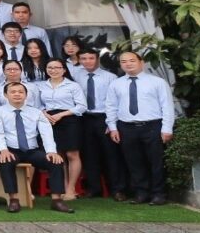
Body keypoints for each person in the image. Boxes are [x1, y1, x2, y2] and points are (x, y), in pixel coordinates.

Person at [0, 82, 73, 213]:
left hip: (32, 151)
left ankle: (57, 200)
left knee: (55, 161)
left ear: (26, 95)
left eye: (20, 92)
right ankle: (14, 199)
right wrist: (3, 150)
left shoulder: (36, 112)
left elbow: (46, 133)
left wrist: (51, 151)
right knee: (6, 161)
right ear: (6, 95)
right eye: (13, 92)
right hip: (10, 149)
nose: (17, 94)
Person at [105, 51, 175, 205]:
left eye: (132, 60)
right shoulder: (116, 84)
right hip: (126, 127)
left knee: (156, 161)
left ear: (141, 62)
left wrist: (167, 128)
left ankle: (158, 194)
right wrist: (113, 127)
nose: (128, 64)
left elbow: (167, 106)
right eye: (124, 61)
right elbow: (111, 106)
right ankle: (141, 192)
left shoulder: (157, 82)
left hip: (152, 126)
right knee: (134, 162)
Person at [76, 49, 128, 200]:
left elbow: (117, 101)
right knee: (89, 155)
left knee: (111, 155)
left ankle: (117, 189)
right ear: (79, 60)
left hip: (104, 118)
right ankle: (94, 188)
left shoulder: (111, 77)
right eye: (84, 58)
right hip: (85, 118)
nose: (87, 61)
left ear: (97, 59)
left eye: (91, 58)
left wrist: (112, 123)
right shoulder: (76, 76)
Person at [37, 58, 85, 199]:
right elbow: (37, 105)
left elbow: (82, 106)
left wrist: (61, 114)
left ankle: (71, 189)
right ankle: (62, 188)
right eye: (50, 68)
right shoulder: (41, 86)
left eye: (57, 67)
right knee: (58, 154)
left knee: (72, 154)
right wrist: (44, 113)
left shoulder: (73, 86)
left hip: (69, 119)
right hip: (49, 120)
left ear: (64, 70)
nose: (53, 70)